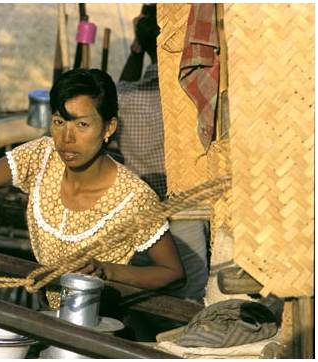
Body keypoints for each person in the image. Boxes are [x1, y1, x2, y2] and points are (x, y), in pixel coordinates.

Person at [0, 68, 184, 309]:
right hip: (44, 316)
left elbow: (172, 273)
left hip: (98, 325)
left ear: (108, 128)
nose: (67, 139)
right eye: (59, 122)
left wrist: (106, 271)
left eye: (82, 125)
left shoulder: (134, 198)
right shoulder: (41, 157)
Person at [116, 4, 210, 340]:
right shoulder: (189, 96)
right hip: (185, 203)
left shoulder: (124, 96)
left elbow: (122, 82)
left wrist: (136, 48)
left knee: (141, 286)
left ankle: (145, 344)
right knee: (192, 284)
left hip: (141, 206)